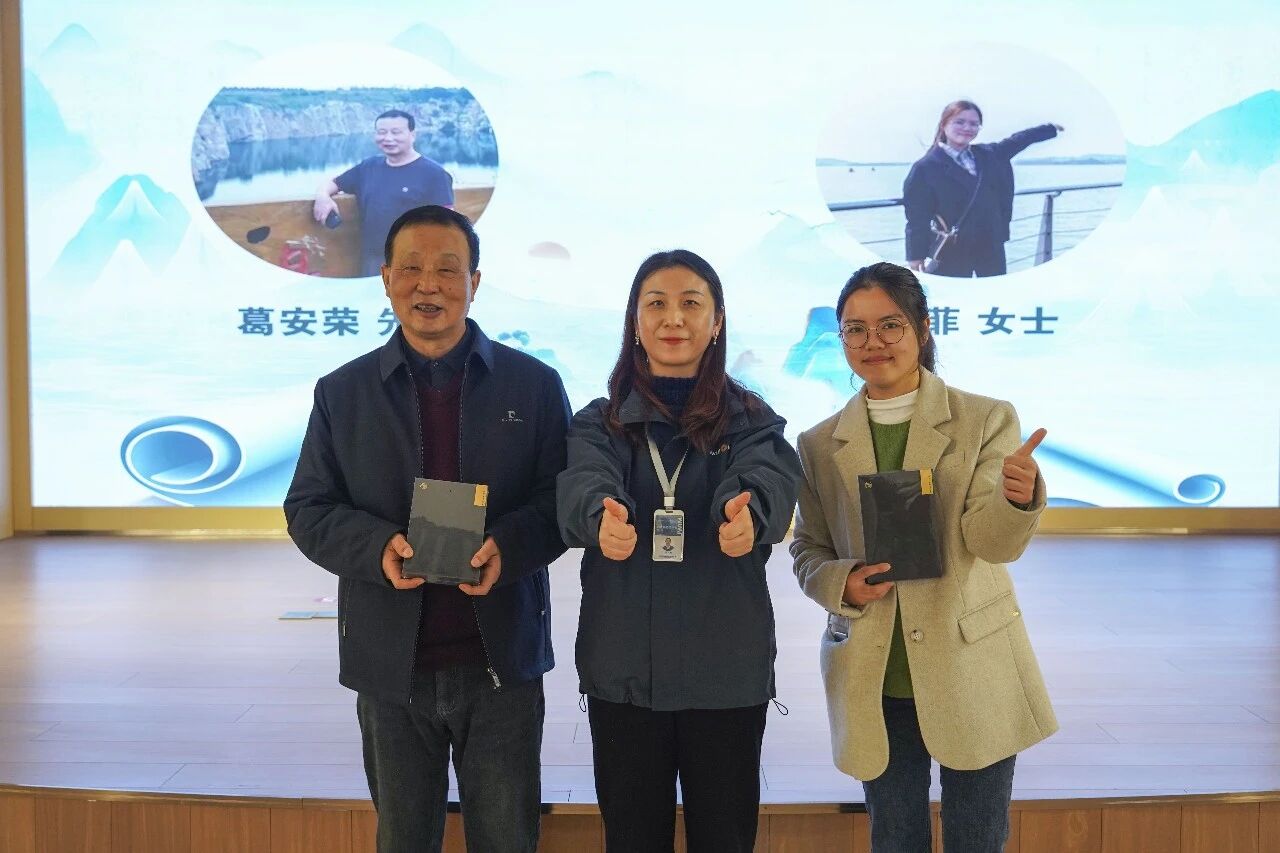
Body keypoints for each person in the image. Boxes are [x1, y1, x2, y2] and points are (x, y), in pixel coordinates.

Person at [284, 205, 571, 853]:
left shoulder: (532, 385)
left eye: (447, 269)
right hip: (391, 666)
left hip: (501, 663)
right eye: (411, 268)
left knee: (506, 839)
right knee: (403, 839)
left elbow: (562, 502)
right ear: (386, 279)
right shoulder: (343, 392)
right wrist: (376, 547)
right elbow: (308, 508)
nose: (428, 284)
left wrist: (508, 546)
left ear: (475, 282)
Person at [790, 261, 1057, 852]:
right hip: (874, 670)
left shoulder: (985, 419)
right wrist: (841, 582)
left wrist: (1016, 498)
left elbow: (992, 544)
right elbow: (808, 548)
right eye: (855, 329)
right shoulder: (818, 443)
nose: (873, 342)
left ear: (923, 328)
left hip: (969, 661)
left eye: (890, 325)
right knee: (895, 838)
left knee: (977, 838)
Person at [556, 249, 802, 852]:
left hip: (725, 674)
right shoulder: (600, 422)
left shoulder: (752, 421)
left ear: (716, 321)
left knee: (725, 839)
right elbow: (584, 480)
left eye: (691, 303)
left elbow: (767, 479)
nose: (674, 318)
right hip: (624, 676)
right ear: (634, 322)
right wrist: (600, 515)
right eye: (657, 304)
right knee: (632, 839)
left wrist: (747, 512)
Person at [902, 100, 1063, 277]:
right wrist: (915, 255)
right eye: (959, 122)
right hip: (953, 249)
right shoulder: (925, 167)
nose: (967, 128)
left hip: (991, 244)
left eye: (974, 124)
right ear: (943, 125)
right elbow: (917, 216)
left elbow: (1020, 139)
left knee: (995, 291)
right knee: (956, 293)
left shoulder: (990, 154)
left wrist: (1051, 129)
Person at [314, 109, 456, 276]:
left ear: (412, 135)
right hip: (372, 260)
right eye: (382, 132)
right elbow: (334, 183)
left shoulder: (434, 174)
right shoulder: (368, 167)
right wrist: (323, 196)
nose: (388, 138)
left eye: (396, 132)